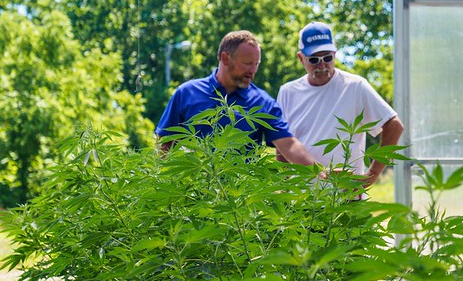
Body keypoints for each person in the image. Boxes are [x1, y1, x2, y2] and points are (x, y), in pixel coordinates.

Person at [155, 29, 319, 167]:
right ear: (226, 58)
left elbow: (289, 146)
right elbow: (165, 143)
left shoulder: (262, 103)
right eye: (248, 63)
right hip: (194, 195)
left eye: (256, 64)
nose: (253, 70)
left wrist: (321, 173)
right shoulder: (187, 93)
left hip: (240, 198)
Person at [277, 21, 404, 188]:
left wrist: (371, 175)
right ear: (301, 58)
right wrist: (284, 189)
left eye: (327, 58)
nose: (322, 65)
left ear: (335, 54)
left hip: (344, 196)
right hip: (302, 197)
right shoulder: (288, 92)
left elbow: (394, 125)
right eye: (314, 59)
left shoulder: (355, 86)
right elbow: (281, 145)